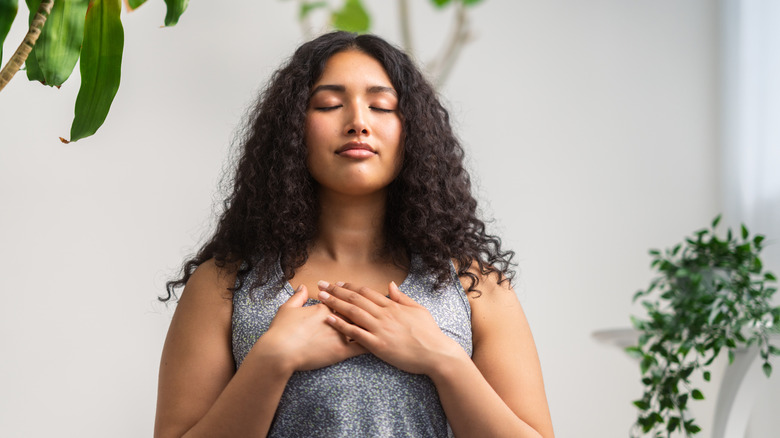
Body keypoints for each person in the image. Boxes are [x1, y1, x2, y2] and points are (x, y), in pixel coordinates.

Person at [154, 31, 554, 438]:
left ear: (413, 130)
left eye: (381, 106)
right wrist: (272, 359)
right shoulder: (222, 285)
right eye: (329, 104)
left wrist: (443, 358)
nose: (358, 123)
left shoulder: (475, 286)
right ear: (292, 128)